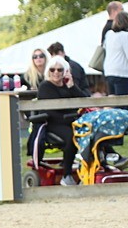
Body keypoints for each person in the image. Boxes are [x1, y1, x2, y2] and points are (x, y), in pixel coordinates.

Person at [35, 55, 90, 186]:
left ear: (65, 71)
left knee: (92, 131)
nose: (56, 73)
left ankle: (106, 160)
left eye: (60, 70)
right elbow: (49, 112)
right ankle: (67, 175)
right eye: (53, 70)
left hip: (72, 121)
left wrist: (72, 86)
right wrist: (69, 118)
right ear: (48, 71)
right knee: (72, 136)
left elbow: (84, 100)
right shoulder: (45, 86)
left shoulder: (68, 86)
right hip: (53, 123)